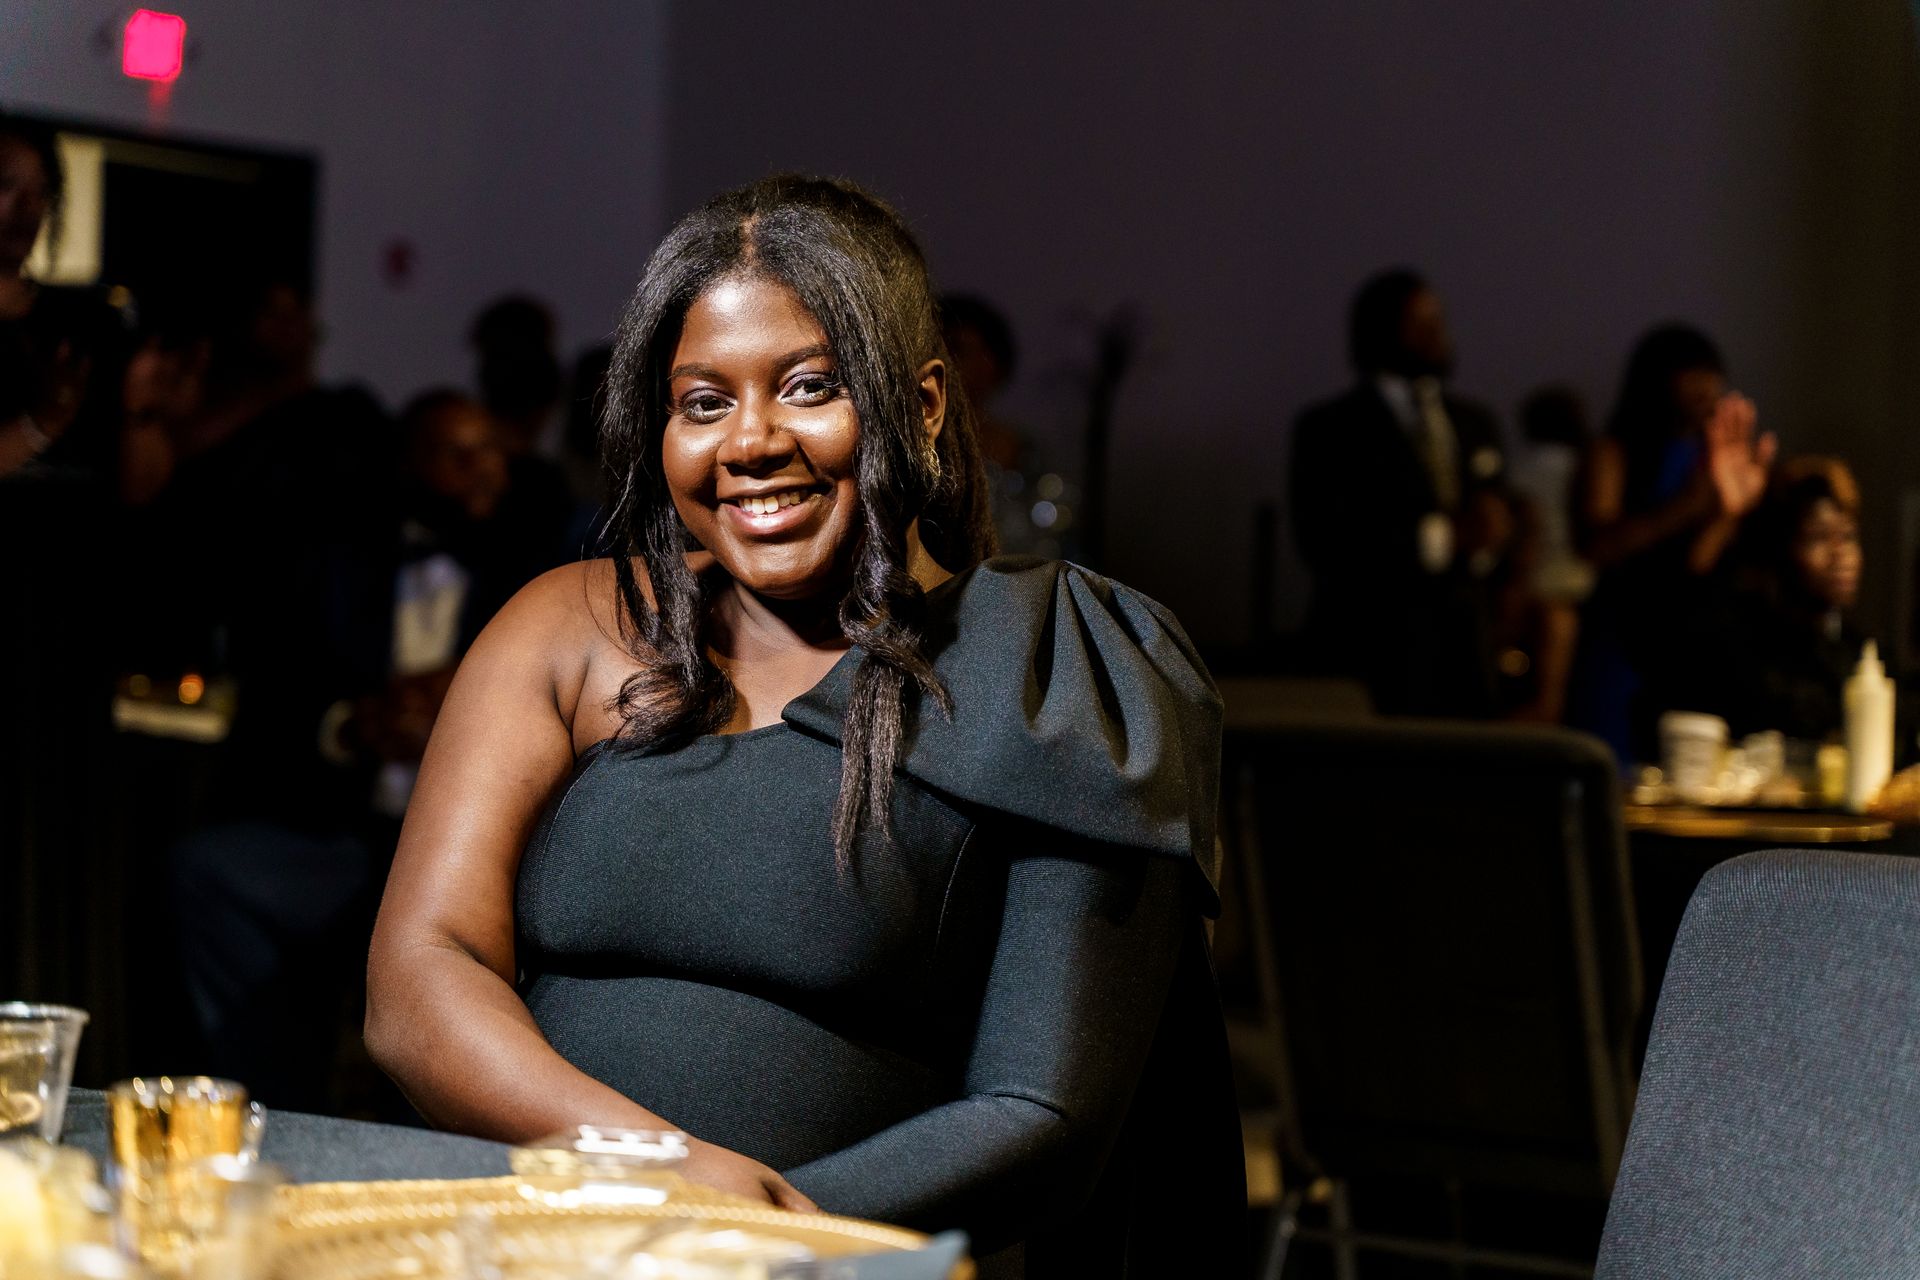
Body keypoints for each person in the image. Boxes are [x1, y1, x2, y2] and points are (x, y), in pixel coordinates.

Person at [365, 176, 1241, 1277]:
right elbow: (419, 975)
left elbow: (1044, 1115)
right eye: (703, 401)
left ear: (923, 405)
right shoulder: (571, 623)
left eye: (810, 386)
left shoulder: (1059, 666)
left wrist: (742, 1241)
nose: (751, 441)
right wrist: (656, 1174)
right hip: (526, 1237)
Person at [1289, 267, 1510, 715]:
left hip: (1465, 656)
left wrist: (1495, 532)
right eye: (1418, 322)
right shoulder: (1332, 426)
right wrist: (1444, 537)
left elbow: (1493, 512)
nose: (1435, 333)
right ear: (1380, 329)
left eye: (1438, 319)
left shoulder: (1473, 420)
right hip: (1373, 650)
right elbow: (1324, 537)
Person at [1566, 324, 1775, 761]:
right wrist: (1685, 507)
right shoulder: (1614, 450)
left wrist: (1726, 513)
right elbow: (1596, 546)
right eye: (1692, 373)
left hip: (1685, 642)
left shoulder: (1711, 455)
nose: (1706, 387)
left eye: (1711, 375)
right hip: (1622, 636)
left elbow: (1699, 565)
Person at [1664, 457, 1877, 744]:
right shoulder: (1737, 640)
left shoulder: (1859, 650)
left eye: (1849, 537)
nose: (1841, 555)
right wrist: (1725, 519)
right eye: (1818, 538)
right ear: (1781, 547)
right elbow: (1677, 611)